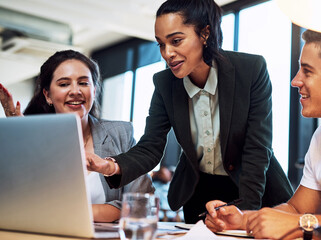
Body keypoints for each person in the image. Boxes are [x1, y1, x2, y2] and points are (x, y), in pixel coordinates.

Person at [86, 0, 293, 223]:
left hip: (254, 189)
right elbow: (150, 147)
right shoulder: (165, 84)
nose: (167, 53)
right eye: (161, 45)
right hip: (200, 194)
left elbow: (257, 148)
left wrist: (247, 212)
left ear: (205, 33)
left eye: (176, 41)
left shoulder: (250, 70)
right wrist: (110, 165)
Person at [204, 29, 321, 239]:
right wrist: (244, 220)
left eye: (307, 71)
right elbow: (298, 210)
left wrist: (301, 224)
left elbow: (299, 220)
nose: (295, 81)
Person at [0, 50, 154, 223]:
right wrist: (22, 140)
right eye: (64, 84)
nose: (75, 91)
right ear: (48, 95)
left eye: (83, 83)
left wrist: (68, 212)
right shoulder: (33, 142)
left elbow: (142, 203)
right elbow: (20, 205)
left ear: (94, 91)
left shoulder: (121, 134)